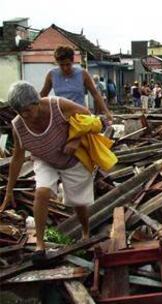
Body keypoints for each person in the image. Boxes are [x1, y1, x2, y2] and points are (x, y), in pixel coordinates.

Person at [2, 81, 94, 259]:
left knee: (79, 203)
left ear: (36, 102)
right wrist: (9, 191)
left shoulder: (58, 106)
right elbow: (17, 158)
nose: (24, 115)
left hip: (71, 159)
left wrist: (75, 141)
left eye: (28, 110)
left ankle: (85, 233)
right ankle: (40, 244)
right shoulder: (18, 126)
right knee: (41, 193)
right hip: (45, 160)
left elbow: (89, 117)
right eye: (20, 112)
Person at [40, 45, 112, 122]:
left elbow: (95, 94)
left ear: (72, 61)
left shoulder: (82, 74)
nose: (65, 68)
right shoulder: (52, 75)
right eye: (61, 65)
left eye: (68, 64)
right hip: (62, 118)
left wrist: (106, 112)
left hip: (81, 117)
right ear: (57, 63)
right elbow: (42, 96)